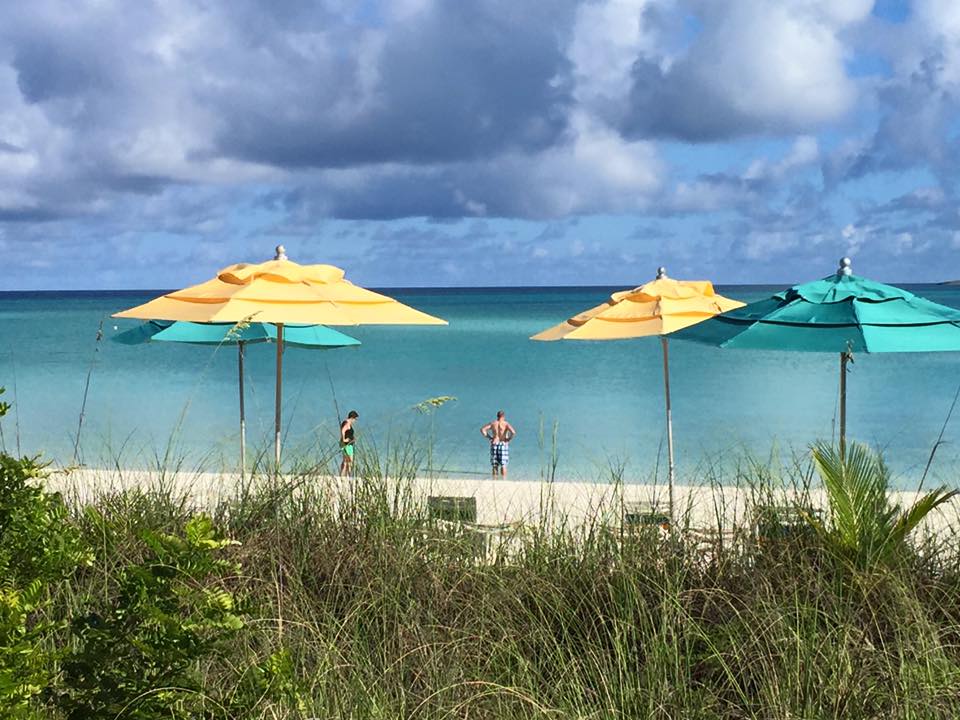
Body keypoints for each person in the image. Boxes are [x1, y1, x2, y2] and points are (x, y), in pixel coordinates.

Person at [480, 410, 516, 479]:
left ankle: (495, 479)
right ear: (503, 416)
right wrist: (508, 439)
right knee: (503, 464)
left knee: (494, 464)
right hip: (503, 444)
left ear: (497, 416)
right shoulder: (506, 424)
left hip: (495, 444)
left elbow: (482, 430)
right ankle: (503, 479)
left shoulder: (493, 423)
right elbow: (513, 432)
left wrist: (490, 438)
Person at [339, 410, 359, 476]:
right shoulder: (347, 423)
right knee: (349, 461)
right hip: (347, 444)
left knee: (345, 460)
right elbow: (343, 430)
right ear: (352, 418)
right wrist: (344, 439)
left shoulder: (346, 422)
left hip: (346, 444)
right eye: (355, 419)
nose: (355, 421)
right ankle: (348, 475)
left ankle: (343, 475)